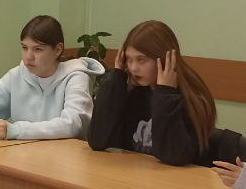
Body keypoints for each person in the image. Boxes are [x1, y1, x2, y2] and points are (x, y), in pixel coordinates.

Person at [87, 20, 216, 165]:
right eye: (129, 59)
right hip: (133, 174)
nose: (133, 68)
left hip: (176, 177)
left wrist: (166, 95)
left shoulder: (191, 98)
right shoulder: (134, 92)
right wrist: (116, 79)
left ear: (164, 59)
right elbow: (97, 140)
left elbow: (173, 156)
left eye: (141, 60)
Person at [0, 15, 103, 140]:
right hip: (25, 154)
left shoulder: (76, 77)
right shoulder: (17, 75)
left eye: (38, 49)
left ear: (58, 50)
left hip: (65, 158)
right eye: (24, 47)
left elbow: (72, 124)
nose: (28, 57)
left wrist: (16, 130)